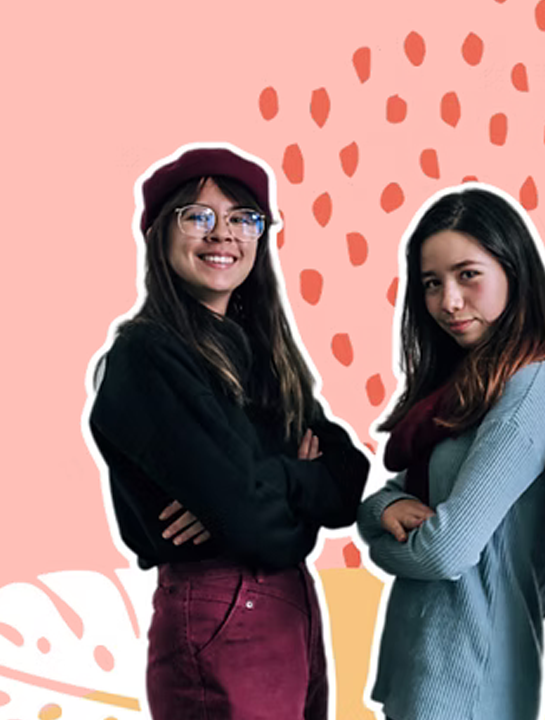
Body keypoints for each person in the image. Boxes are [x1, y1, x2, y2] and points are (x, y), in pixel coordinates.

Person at [86, 144, 370, 719]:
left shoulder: (265, 355)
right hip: (224, 606)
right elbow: (257, 526)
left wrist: (263, 478)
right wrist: (283, 481)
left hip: (288, 603)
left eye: (244, 218)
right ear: (160, 235)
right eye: (198, 216)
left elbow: (347, 480)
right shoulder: (148, 357)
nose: (223, 235)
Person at [355, 186, 545, 720]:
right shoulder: (462, 388)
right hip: (425, 668)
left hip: (471, 681)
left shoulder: (533, 386)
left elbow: (444, 551)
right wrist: (379, 512)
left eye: (467, 275)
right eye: (432, 284)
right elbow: (394, 497)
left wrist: (378, 549)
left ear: (513, 269)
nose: (447, 301)